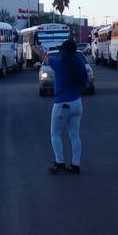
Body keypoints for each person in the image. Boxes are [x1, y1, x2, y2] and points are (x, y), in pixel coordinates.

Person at [33, 39, 88, 174]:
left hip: (62, 104)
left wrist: (32, 46)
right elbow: (85, 83)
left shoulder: (60, 64)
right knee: (74, 135)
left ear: (64, 51)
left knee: (55, 134)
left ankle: (59, 162)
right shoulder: (79, 63)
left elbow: (43, 56)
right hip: (77, 103)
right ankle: (75, 165)